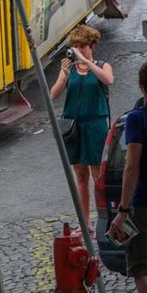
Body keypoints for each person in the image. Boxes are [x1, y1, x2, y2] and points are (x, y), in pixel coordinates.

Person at [50, 24, 113, 229]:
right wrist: (63, 74)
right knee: (81, 176)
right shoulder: (71, 70)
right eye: (76, 46)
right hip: (74, 127)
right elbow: (54, 94)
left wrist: (86, 61)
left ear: (92, 46)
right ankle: (85, 222)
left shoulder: (103, 65)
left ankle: (103, 220)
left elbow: (108, 80)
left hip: (95, 126)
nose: (78, 50)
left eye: (83, 46)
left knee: (98, 176)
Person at [109, 62, 147, 293]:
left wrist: (123, 211)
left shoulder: (138, 118)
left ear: (140, 86)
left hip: (145, 203)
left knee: (140, 266)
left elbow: (131, 168)